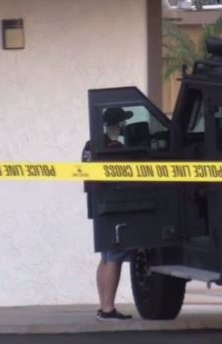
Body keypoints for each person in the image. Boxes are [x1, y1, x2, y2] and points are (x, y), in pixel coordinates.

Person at [94, 107, 135, 321]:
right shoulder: (115, 149)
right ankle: (108, 309)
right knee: (114, 258)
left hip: (101, 207)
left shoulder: (92, 144)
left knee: (105, 258)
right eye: (124, 122)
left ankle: (104, 306)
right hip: (114, 208)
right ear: (119, 124)